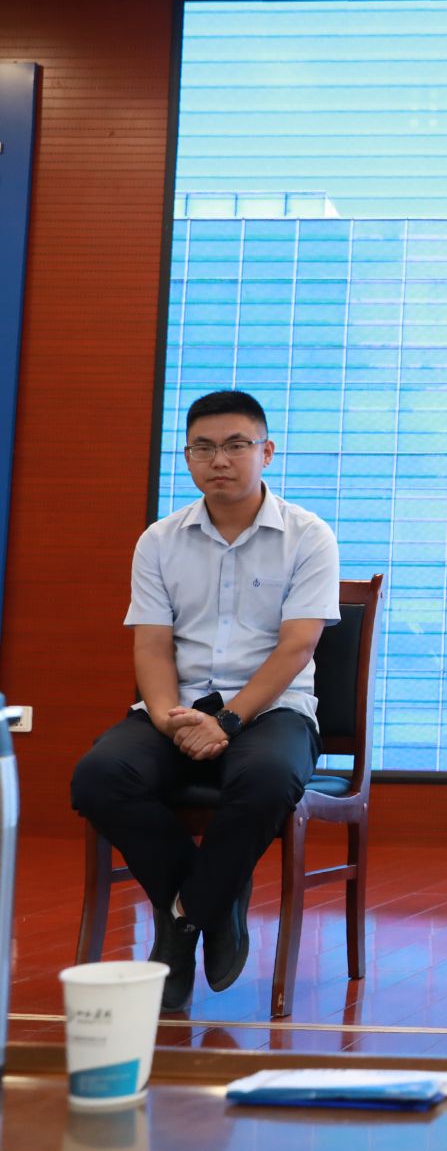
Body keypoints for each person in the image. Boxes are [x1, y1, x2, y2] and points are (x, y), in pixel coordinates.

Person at [71, 391, 340, 1010]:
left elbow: (297, 647)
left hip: (272, 710)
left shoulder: (308, 536)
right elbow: (152, 648)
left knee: (268, 780)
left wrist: (228, 720)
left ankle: (182, 921)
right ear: (188, 456)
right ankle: (215, 898)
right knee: (99, 776)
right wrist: (170, 720)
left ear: (266, 452)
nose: (220, 459)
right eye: (204, 447)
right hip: (179, 709)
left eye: (237, 445)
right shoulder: (159, 540)